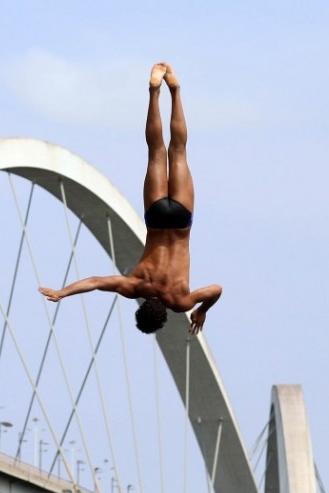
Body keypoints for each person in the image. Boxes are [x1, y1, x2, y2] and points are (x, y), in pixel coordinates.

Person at [39, 63, 222, 335]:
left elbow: (216, 289)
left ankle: (175, 90)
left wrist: (203, 309)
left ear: (164, 316)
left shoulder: (180, 301)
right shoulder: (134, 286)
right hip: (156, 217)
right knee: (156, 152)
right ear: (141, 307)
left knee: (179, 151)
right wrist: (62, 292)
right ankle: (154, 91)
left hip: (181, 220)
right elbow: (97, 281)